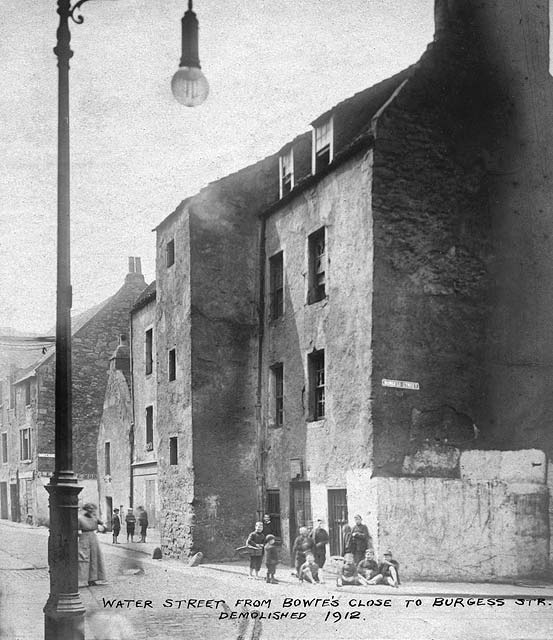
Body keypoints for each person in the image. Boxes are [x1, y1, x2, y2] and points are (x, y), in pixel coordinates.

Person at [78, 503, 106, 587]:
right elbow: (76, 529)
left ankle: (93, 579)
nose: (91, 510)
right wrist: (79, 534)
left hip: (93, 538)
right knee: (83, 557)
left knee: (95, 557)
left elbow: (104, 526)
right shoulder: (80, 518)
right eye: (89, 509)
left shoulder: (95, 518)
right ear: (86, 509)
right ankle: (83, 579)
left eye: (93, 509)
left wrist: (103, 528)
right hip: (84, 537)